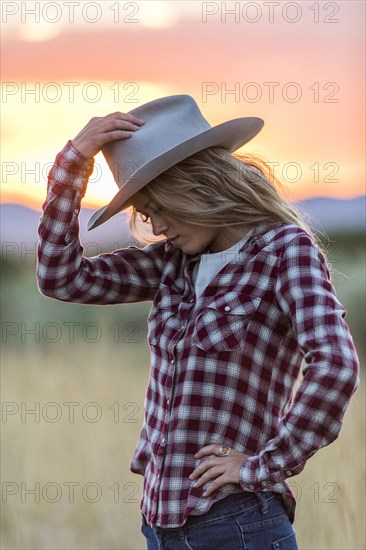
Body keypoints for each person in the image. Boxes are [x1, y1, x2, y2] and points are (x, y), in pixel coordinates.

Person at [37, 95, 360, 549]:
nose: (159, 226)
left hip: (236, 522)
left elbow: (336, 365)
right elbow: (62, 277)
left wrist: (263, 465)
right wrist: (73, 165)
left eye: (160, 206)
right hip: (160, 524)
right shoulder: (173, 262)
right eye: (146, 214)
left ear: (197, 184)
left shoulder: (284, 250)